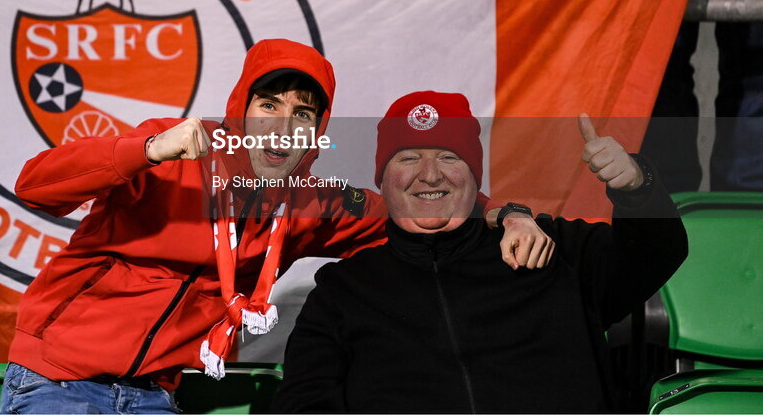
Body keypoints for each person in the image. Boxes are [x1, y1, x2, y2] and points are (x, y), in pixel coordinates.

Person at [0, 41, 552, 415]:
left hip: (154, 398)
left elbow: (422, 204)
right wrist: (144, 150)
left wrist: (507, 213)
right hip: (57, 382)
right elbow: (35, 186)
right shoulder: (169, 154)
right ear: (241, 109)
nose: (283, 126)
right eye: (268, 105)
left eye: (303, 114)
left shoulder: (312, 202)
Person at [273, 91, 688, 414]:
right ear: (382, 179)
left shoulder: (552, 250)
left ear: (474, 175)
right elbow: (303, 404)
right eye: (409, 157)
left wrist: (636, 188)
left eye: (449, 157)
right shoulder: (342, 293)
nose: (429, 175)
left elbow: (658, 253)